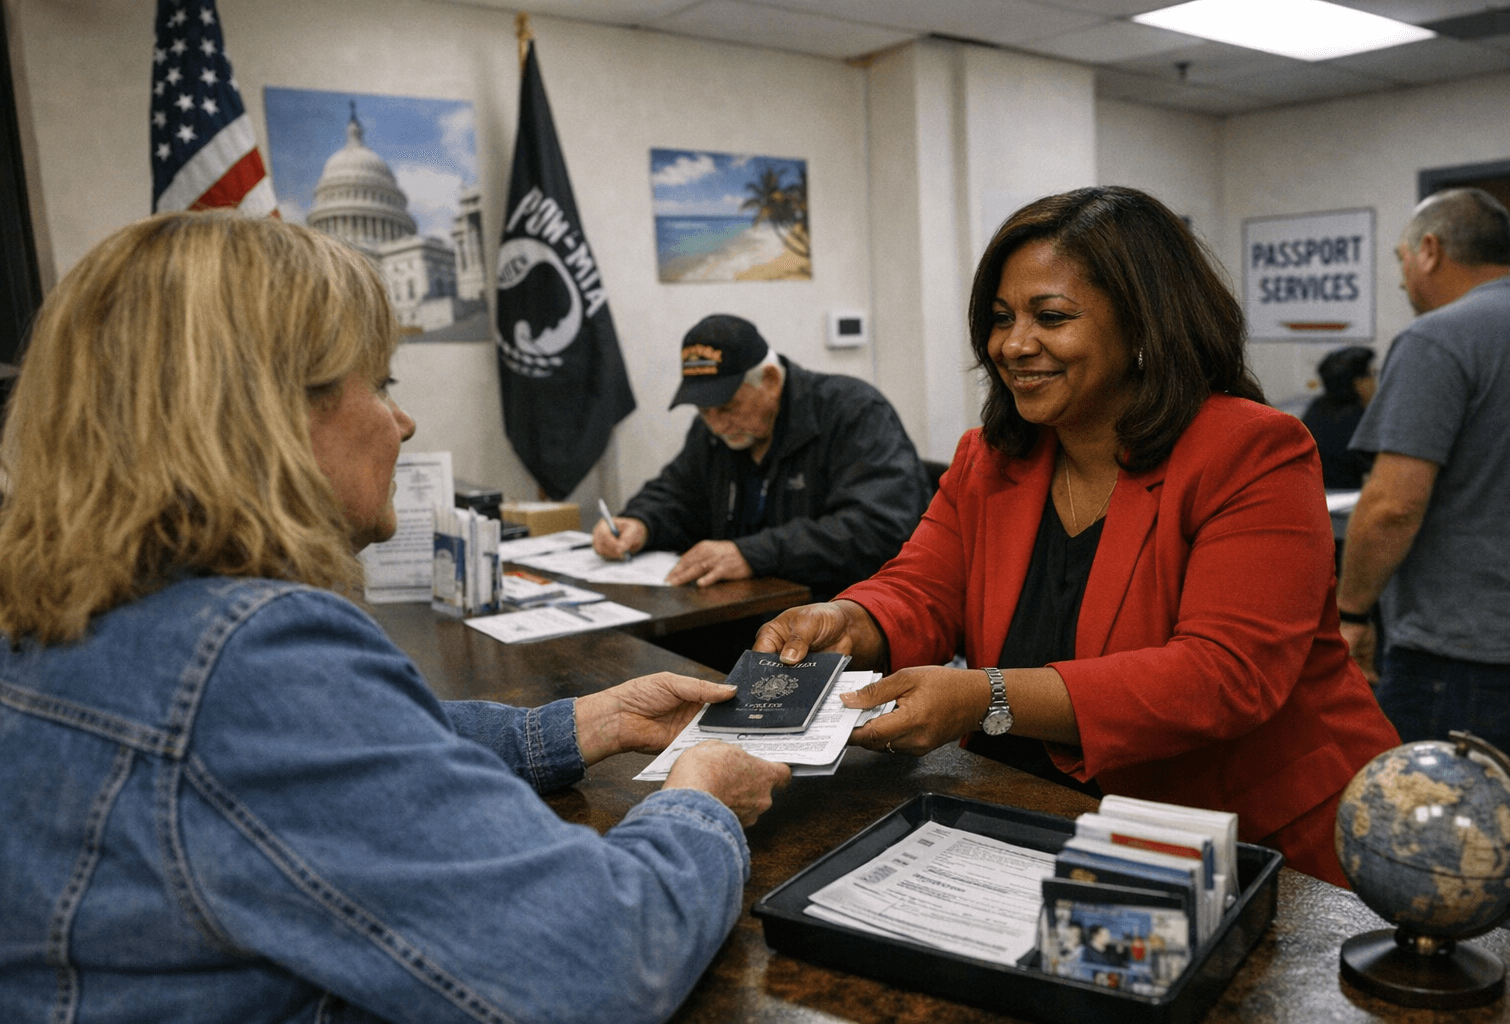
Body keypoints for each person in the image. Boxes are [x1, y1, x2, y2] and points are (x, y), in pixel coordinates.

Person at [0, 212, 791, 1024]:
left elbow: (324, 756)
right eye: (379, 385)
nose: (402, 422)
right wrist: (700, 802)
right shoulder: (247, 652)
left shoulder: (73, 610)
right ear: (266, 416)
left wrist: (574, 725)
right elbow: (600, 960)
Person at [755, 186, 1399, 887]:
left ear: (1144, 324)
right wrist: (851, 620)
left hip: (1254, 840)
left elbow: (1222, 675)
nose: (1014, 344)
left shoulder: (1253, 450)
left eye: (1051, 317)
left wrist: (986, 697)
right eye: (1000, 319)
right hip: (1048, 817)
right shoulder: (989, 457)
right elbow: (922, 588)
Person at [1337, 187, 1510, 788]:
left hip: (1462, 658)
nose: (1401, 280)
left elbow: (1394, 504)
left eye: (1399, 260)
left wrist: (1350, 613)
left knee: (1437, 857)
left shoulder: (1438, 339)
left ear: (1429, 251)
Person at [591, 313, 929, 601]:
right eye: (704, 410)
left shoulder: (854, 412)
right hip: (745, 614)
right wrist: (641, 522)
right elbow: (678, 494)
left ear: (769, 380)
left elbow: (878, 529)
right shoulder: (714, 430)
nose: (717, 423)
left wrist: (752, 554)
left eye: (727, 406)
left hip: (845, 612)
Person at [1300, 345, 1376, 490]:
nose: (1375, 383)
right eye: (1372, 375)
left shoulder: (1316, 408)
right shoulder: (1358, 422)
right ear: (1358, 383)